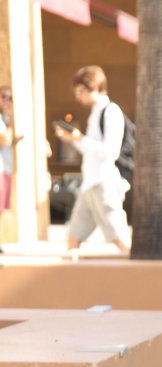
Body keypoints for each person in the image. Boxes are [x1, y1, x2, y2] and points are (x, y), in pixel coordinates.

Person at [54, 66, 131, 255]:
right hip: (89, 184)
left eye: (81, 91)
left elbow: (110, 151)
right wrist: (72, 139)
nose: (78, 97)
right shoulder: (95, 113)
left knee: (119, 237)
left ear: (94, 87)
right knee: (74, 236)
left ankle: (139, 270)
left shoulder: (111, 111)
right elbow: (90, 151)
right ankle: (70, 273)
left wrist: (80, 138)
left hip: (104, 183)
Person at [0, 85, 23, 245]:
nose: (7, 101)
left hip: (6, 169)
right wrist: (11, 119)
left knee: (2, 208)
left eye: (10, 98)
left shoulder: (5, 119)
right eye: (4, 97)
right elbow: (5, 140)